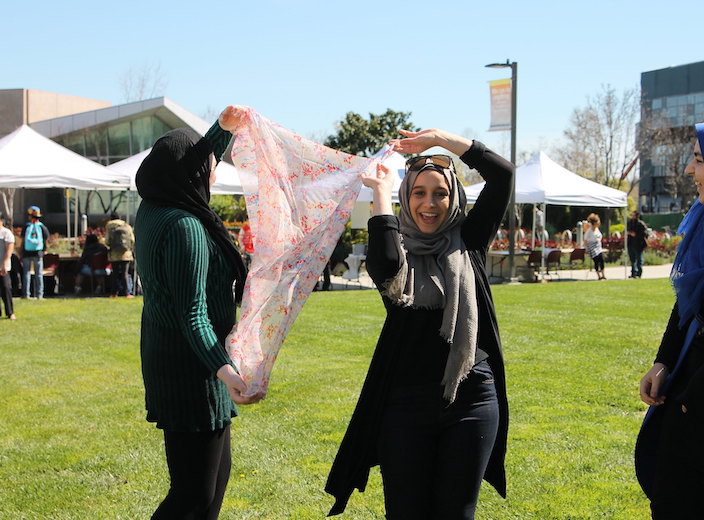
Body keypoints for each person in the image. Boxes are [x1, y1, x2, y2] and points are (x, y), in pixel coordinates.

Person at [326, 129, 513, 519]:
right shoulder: (399, 248)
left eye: (440, 193)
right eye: (419, 193)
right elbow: (385, 266)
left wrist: (443, 141)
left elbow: (503, 176)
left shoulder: (471, 240)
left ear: (454, 198)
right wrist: (380, 193)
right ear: (405, 198)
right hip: (404, 406)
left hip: (472, 399)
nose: (430, 204)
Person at [135, 106, 263, 520]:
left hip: (180, 358)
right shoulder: (184, 226)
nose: (215, 170)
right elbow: (193, 314)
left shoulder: (156, 206)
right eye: (211, 165)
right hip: (191, 368)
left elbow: (192, 160)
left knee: (210, 487)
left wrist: (221, 129)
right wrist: (228, 373)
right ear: (193, 174)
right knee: (193, 497)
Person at [636, 122, 704, 519]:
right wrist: (664, 360)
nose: (688, 171)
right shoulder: (701, 220)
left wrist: (691, 398)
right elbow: (687, 304)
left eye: (698, 160)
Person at [21, 206, 50, 299]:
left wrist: (21, 252)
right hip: (38, 253)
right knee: (38, 274)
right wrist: (44, 250)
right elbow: (46, 239)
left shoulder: (26, 226)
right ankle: (39, 295)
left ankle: (26, 294)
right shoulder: (42, 227)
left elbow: (22, 240)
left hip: (27, 253)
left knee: (26, 273)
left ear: (29, 216)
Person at [105, 211, 135, 297]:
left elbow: (107, 240)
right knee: (125, 273)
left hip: (114, 253)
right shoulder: (127, 226)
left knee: (115, 273)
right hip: (126, 253)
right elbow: (132, 240)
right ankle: (126, 293)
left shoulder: (109, 225)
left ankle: (114, 293)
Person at [0, 213, 16, 320]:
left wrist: (4, 263)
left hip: (3, 266)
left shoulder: (6, 233)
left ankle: (10, 312)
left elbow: (9, 249)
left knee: (6, 288)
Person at [583, 213, 606, 280]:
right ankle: (599, 276)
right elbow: (585, 240)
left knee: (601, 260)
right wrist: (586, 248)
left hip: (598, 247)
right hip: (592, 248)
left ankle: (603, 275)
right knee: (596, 261)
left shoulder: (597, 230)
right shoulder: (589, 231)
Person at [627, 210, 648, 279]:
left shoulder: (640, 224)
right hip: (630, 243)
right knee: (632, 259)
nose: (632, 216)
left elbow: (645, 233)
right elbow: (627, 231)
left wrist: (636, 235)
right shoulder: (629, 223)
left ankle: (639, 273)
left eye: (633, 215)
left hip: (638, 244)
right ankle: (633, 273)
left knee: (639, 259)